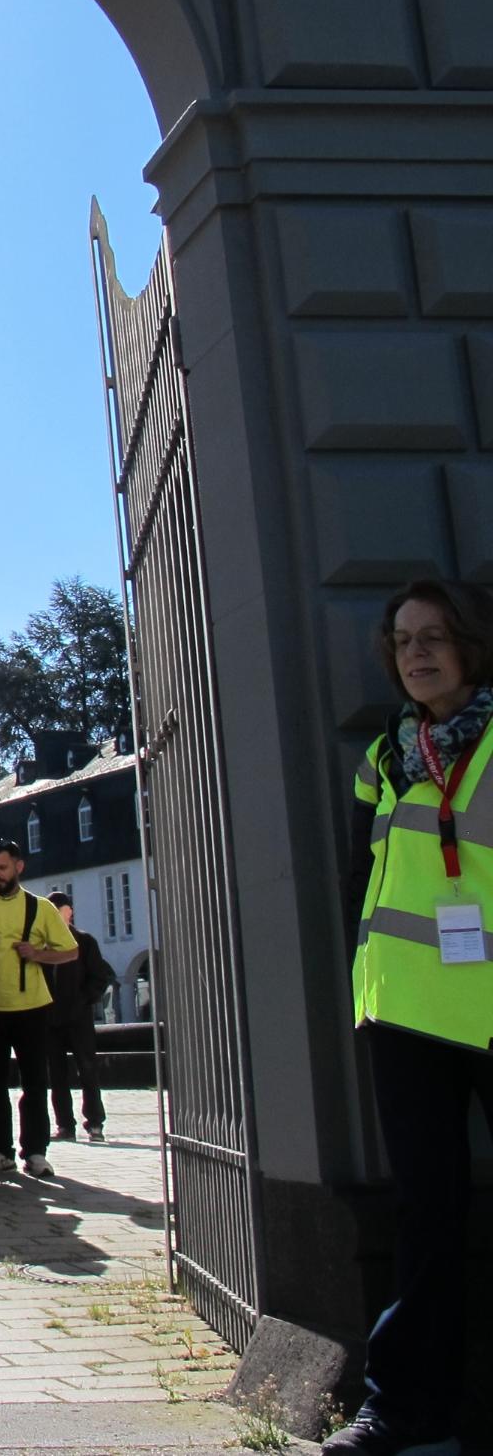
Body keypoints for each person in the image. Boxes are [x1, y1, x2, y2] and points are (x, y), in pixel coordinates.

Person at [323, 579, 493, 1456]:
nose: (417, 652)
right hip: (408, 1012)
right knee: (425, 1215)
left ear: (470, 642)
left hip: (492, 1005)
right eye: (401, 641)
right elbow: (365, 878)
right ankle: (404, 1407)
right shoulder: (386, 757)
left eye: (434, 636)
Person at [0, 839, 78, 1178]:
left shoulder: (41, 907)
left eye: (2, 868)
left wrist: (37, 954)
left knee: (34, 1081)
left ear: (19, 866)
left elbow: (71, 951)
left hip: (32, 1006)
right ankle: (0, 1149)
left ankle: (35, 1150)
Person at [43, 890, 114, 1144]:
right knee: (56, 1073)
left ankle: (94, 1122)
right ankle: (64, 1124)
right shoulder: (43, 943)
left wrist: (83, 1000)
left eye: (58, 909)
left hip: (79, 1017)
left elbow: (101, 976)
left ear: (69, 912)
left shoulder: (84, 942)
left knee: (87, 1068)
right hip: (50, 1018)